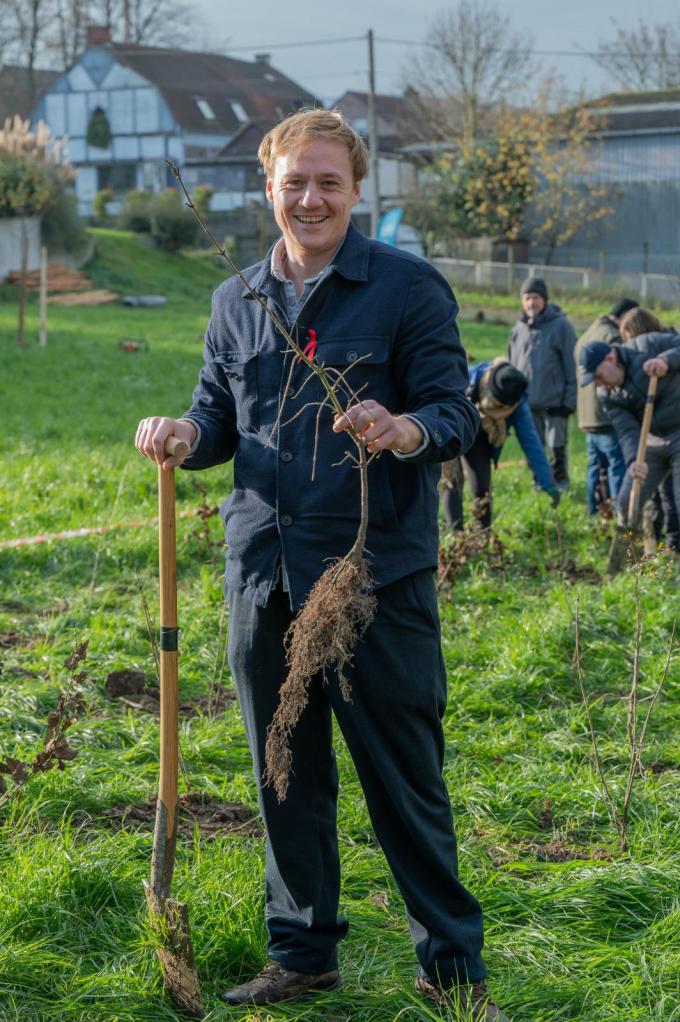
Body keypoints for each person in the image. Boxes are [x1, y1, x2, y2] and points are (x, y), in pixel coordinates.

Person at [136, 109, 510, 1021]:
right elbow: (217, 413)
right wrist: (187, 434)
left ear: (357, 191)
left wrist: (405, 428)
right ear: (268, 186)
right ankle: (303, 954)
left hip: (372, 578)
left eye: (329, 183)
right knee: (284, 770)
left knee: (404, 778)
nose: (310, 198)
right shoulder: (236, 299)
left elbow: (454, 412)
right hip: (262, 571)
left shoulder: (408, 290)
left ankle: (453, 974)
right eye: (294, 182)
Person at [442, 358, 559, 530]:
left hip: (480, 439)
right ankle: (457, 537)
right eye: (497, 405)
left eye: (503, 408)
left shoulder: (518, 403)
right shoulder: (467, 380)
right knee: (453, 482)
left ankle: (482, 537)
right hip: (452, 428)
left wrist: (547, 481)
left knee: (483, 488)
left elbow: (531, 442)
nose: (499, 409)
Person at [578, 334, 680, 529]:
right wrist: (633, 460)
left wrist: (666, 360)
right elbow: (626, 429)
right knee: (626, 506)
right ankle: (632, 556)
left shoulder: (646, 345)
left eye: (598, 376)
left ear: (610, 358)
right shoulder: (606, 393)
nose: (598, 384)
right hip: (651, 441)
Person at [617, 308, 679, 551]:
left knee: (671, 497)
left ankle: (673, 547)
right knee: (651, 497)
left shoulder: (663, 348)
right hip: (653, 437)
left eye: (631, 337)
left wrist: (666, 362)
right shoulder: (634, 366)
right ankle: (650, 547)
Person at [508, 277, 576, 491]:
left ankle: (560, 485)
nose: (531, 303)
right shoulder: (518, 329)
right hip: (526, 402)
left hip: (555, 402)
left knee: (557, 447)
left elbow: (571, 366)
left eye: (535, 298)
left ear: (544, 299)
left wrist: (569, 401)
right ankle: (540, 483)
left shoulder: (561, 326)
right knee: (533, 448)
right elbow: (510, 363)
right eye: (527, 298)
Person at [573, 298, 637, 514]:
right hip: (606, 414)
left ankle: (594, 514)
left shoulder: (586, 335)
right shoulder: (612, 337)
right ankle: (620, 515)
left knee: (594, 467)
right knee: (617, 467)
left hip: (586, 415)